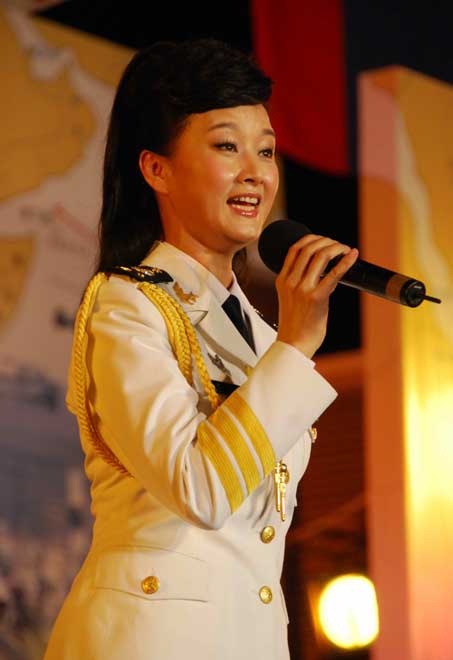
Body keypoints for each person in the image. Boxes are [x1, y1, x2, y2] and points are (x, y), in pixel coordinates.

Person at [44, 38, 358, 660]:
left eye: (266, 150)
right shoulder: (126, 305)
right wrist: (297, 344)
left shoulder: (263, 336)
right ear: (156, 169)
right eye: (226, 146)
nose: (256, 172)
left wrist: (288, 344)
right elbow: (201, 489)